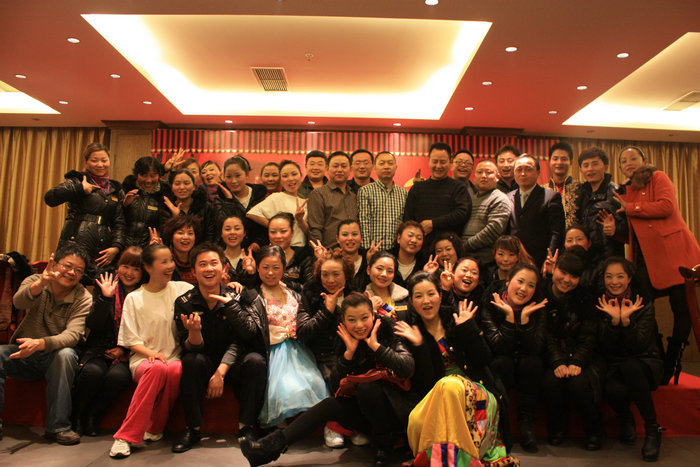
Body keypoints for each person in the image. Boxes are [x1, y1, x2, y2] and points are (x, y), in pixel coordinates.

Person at [240, 292, 415, 467]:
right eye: (352, 320)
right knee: (330, 404)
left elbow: (407, 367)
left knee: (368, 388)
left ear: (373, 315)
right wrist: (348, 355)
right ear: (343, 320)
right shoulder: (344, 338)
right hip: (366, 414)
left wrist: (377, 347)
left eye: (364, 318)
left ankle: (384, 446)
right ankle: (267, 450)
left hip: (396, 413)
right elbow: (334, 385)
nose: (359, 325)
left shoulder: (386, 331)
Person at [397, 272, 516, 466]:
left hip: (476, 389)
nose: (426, 301)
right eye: (419, 296)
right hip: (438, 397)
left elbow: (484, 359)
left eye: (431, 294)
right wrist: (420, 347)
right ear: (411, 301)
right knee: (416, 419)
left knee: (450, 385)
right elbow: (426, 385)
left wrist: (468, 329)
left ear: (440, 295)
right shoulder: (411, 331)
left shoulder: (456, 317)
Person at [614, 146, 700, 385]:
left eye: (633, 158)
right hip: (645, 259)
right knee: (643, 310)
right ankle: (659, 357)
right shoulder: (625, 191)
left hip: (676, 254)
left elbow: (666, 206)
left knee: (682, 310)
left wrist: (631, 208)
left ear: (645, 161)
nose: (629, 163)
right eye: (624, 161)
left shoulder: (658, 177)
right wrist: (615, 231)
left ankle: (674, 359)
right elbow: (636, 231)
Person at [172, 242, 266, 452]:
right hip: (204, 360)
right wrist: (194, 333)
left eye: (214, 263)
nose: (209, 269)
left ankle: (246, 427)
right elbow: (189, 347)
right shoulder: (184, 302)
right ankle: (193, 429)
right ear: (193, 271)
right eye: (202, 264)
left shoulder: (237, 296)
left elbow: (243, 339)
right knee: (191, 361)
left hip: (233, 362)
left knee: (256, 361)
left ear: (224, 267)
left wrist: (221, 372)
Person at [1, 245, 92, 445]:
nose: (72, 272)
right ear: (55, 263)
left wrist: (41, 343)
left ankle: (58, 427)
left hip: (55, 357)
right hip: (25, 353)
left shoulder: (83, 297)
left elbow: (73, 335)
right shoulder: (35, 280)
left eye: (78, 270)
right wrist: (41, 283)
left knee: (66, 354)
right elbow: (18, 303)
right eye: (67, 266)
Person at [109, 244, 194, 458]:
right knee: (156, 369)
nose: (170, 266)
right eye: (163, 262)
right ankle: (125, 436)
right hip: (143, 359)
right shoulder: (135, 298)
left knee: (174, 370)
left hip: (172, 358)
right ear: (148, 267)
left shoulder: (181, 289)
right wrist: (150, 354)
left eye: (171, 260)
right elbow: (130, 340)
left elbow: (208, 289)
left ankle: (156, 427)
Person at [233, 246, 329, 427]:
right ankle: (278, 426)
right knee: (282, 387)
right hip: (271, 349)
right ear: (258, 268)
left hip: (297, 348)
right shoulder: (252, 294)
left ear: (284, 268)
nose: (270, 272)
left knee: (315, 383)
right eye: (265, 267)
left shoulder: (294, 292)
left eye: (276, 267)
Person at [596, 257, 663, 462]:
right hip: (615, 364)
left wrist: (626, 322)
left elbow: (640, 345)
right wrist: (613, 322)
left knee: (630, 366)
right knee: (612, 388)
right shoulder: (599, 302)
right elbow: (603, 345)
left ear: (629, 278)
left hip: (645, 361)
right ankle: (626, 419)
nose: (614, 282)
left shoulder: (643, 301)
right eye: (609, 277)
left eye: (620, 276)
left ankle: (652, 429)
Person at [72, 246, 143, 437]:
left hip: (129, 352)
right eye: (125, 266)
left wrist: (123, 349)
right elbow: (93, 325)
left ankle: (94, 416)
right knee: (92, 372)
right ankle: (77, 416)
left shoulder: (144, 293)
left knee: (118, 377)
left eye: (136, 269)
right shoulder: (106, 283)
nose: (129, 273)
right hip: (98, 348)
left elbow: (143, 331)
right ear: (118, 266)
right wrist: (105, 298)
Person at [480, 263, 548, 453]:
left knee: (533, 363)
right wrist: (510, 318)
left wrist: (525, 322)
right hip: (502, 363)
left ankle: (526, 423)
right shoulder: (491, 303)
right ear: (508, 282)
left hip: (526, 365)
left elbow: (535, 348)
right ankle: (499, 422)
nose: (524, 289)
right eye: (520, 281)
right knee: (503, 362)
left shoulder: (538, 307)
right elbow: (498, 347)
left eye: (531, 285)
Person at [541, 251, 603, 450]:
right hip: (551, 355)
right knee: (551, 382)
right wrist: (558, 361)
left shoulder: (584, 297)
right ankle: (557, 429)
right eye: (563, 272)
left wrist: (577, 360)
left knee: (578, 384)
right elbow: (544, 334)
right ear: (554, 269)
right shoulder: (541, 293)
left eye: (574, 276)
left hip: (583, 356)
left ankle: (594, 431)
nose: (567, 280)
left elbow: (589, 335)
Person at [298, 251, 356, 448]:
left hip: (351, 351)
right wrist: (327, 311)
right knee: (335, 376)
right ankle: (333, 426)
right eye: (325, 274)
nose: (330, 280)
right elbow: (303, 332)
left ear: (346, 275)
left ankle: (356, 426)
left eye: (336, 274)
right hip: (321, 353)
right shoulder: (310, 292)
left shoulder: (354, 294)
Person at [44, 142, 126, 281]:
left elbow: (119, 222)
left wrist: (116, 246)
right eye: (94, 160)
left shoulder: (115, 189)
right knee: (68, 281)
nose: (100, 164)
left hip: (102, 246)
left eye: (104, 160)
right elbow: (50, 198)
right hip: (75, 241)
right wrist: (79, 189)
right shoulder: (77, 180)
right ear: (87, 161)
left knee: (102, 284)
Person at [404, 142, 471, 250]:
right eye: (435, 161)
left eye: (443, 162)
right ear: (429, 161)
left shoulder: (459, 188)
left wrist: (433, 223)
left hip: (449, 249)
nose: (438, 166)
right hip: (421, 249)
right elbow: (408, 220)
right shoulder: (417, 188)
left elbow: (462, 214)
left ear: (450, 162)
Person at [507, 154, 565, 268]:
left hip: (539, 260)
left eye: (528, 169)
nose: (523, 173)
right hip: (512, 260)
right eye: (519, 169)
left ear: (538, 172)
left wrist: (549, 258)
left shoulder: (551, 197)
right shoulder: (508, 197)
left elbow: (556, 232)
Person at [575, 147, 626, 259]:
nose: (590, 169)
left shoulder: (616, 193)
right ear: (581, 170)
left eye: (595, 164)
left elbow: (629, 229)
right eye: (586, 165)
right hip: (585, 257)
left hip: (609, 257)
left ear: (605, 167)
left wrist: (616, 229)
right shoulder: (579, 193)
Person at [247, 159, 309, 247]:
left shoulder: (304, 202)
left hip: (302, 249)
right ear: (281, 180)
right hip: (281, 248)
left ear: (301, 176)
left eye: (294, 174)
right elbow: (251, 213)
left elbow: (307, 233)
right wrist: (274, 227)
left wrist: (300, 220)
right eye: (285, 176)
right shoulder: (276, 197)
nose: (290, 179)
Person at [462, 158, 511, 265]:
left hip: (485, 259)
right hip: (466, 256)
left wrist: (466, 245)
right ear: (474, 177)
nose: (483, 176)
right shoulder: (471, 198)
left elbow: (492, 231)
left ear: (497, 177)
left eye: (488, 172)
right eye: (479, 172)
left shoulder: (499, 198)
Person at [213, 156, 268, 250]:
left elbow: (265, 227)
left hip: (255, 251)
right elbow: (221, 224)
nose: (233, 181)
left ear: (247, 174)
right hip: (229, 250)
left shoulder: (259, 196)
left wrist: (259, 242)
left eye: (238, 176)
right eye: (228, 177)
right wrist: (229, 201)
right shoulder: (220, 199)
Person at [357, 151, 408, 253]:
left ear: (396, 167)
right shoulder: (365, 191)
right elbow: (364, 222)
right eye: (382, 163)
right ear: (374, 168)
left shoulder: (404, 193)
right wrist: (368, 250)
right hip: (373, 250)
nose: (386, 167)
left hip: (396, 250)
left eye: (390, 163)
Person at [307, 151, 358, 247]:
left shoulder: (353, 196)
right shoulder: (318, 194)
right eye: (335, 166)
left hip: (352, 250)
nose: (339, 170)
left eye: (344, 166)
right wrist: (320, 250)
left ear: (350, 169)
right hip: (329, 251)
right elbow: (315, 229)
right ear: (327, 168)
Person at [121, 156, 171, 248]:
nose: (148, 180)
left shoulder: (165, 193)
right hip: (124, 246)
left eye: (153, 176)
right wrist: (124, 205)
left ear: (159, 175)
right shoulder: (128, 188)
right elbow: (118, 221)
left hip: (151, 247)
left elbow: (164, 225)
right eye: (144, 175)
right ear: (136, 175)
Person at [162, 168, 215, 242]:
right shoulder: (165, 207)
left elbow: (210, 234)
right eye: (177, 184)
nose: (182, 187)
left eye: (186, 183)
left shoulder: (205, 206)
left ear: (194, 187)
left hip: (201, 248)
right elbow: (165, 237)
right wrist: (175, 218)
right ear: (172, 187)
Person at [266, 213, 314, 293]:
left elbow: (310, 290)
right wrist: (251, 273)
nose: (278, 236)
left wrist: (286, 285)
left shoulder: (304, 257)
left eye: (283, 231)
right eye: (273, 232)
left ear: (292, 233)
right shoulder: (262, 257)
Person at [544, 141, 581, 228]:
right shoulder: (541, 190)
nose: (559, 162)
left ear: (571, 162)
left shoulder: (581, 188)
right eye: (555, 159)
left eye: (564, 159)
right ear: (549, 162)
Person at [364, 251, 409, 321]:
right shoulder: (361, 299)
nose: (384, 274)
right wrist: (370, 309)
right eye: (379, 269)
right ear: (368, 270)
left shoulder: (405, 297)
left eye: (390, 271)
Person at [161, 215, 201, 285]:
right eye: (180, 233)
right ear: (171, 236)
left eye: (190, 233)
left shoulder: (200, 259)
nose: (185, 237)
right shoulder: (164, 260)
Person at [219, 213, 257, 287]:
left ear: (244, 233)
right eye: (227, 229)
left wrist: (252, 274)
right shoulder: (216, 259)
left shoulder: (253, 258)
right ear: (221, 233)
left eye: (237, 229)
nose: (232, 232)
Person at [389, 221, 427, 288]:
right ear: (399, 238)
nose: (414, 240)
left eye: (419, 238)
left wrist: (426, 274)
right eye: (410, 235)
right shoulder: (385, 259)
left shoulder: (425, 264)